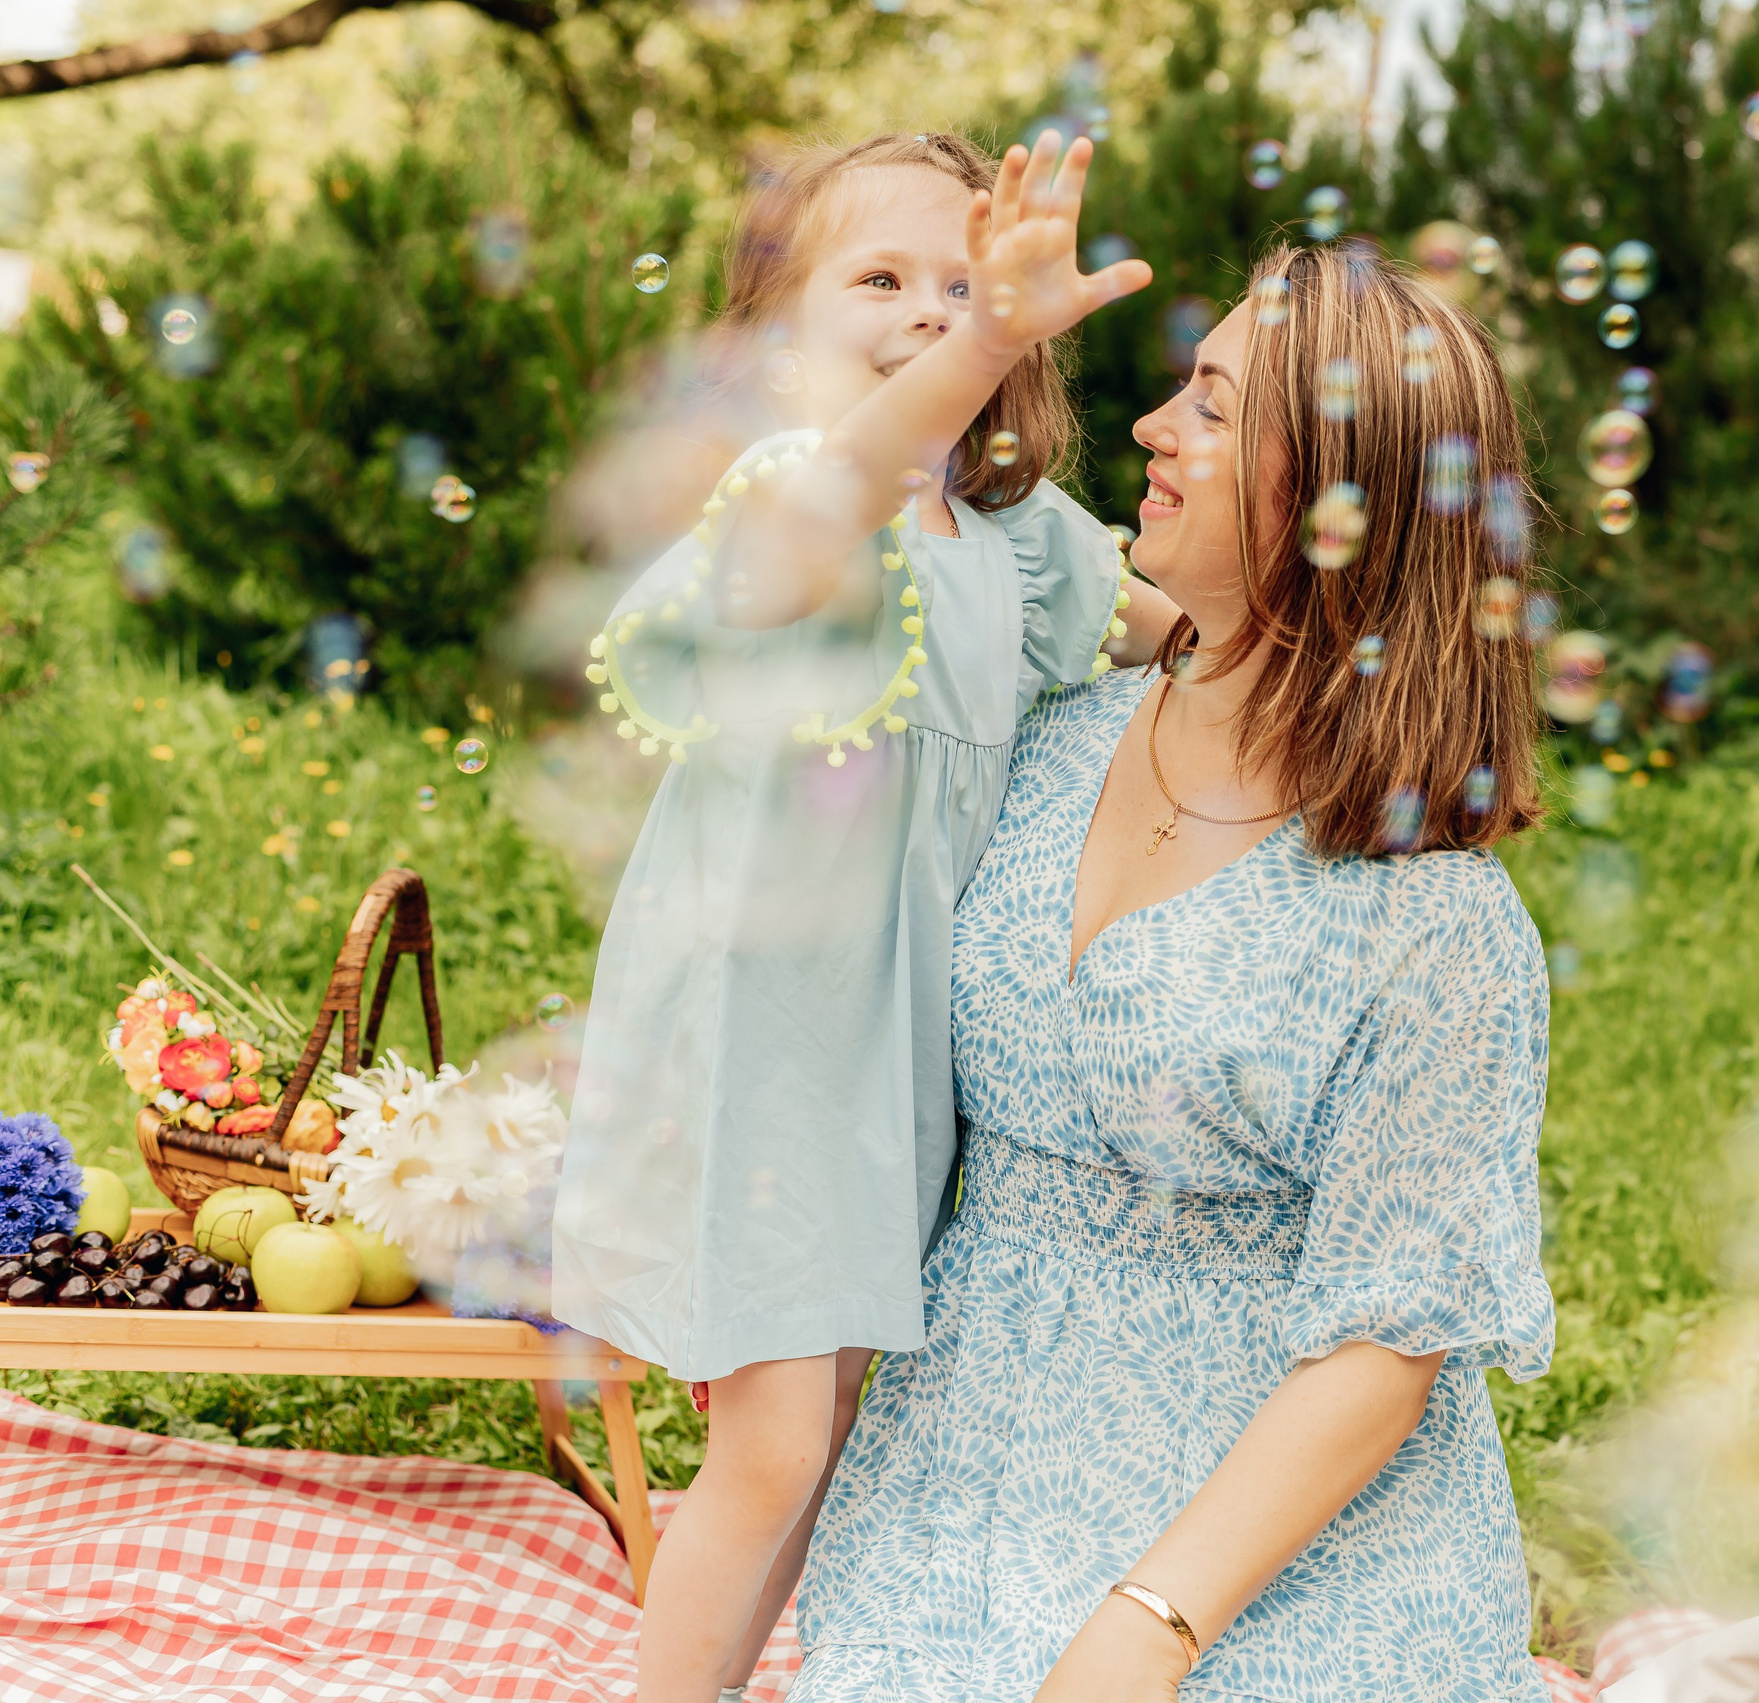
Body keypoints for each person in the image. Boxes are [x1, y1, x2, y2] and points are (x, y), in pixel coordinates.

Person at [787, 241, 1558, 1702]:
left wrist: (1151, 1625)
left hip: (1270, 1576)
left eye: (1210, 406)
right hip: (959, 1498)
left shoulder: (1434, 928)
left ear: (1333, 503)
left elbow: (1381, 1348)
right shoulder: (1046, 741)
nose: (1151, 429)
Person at [548, 130, 1175, 1703]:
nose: (931, 310)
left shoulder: (1021, 541)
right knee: (769, 1445)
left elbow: (1178, 634)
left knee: (817, 1439)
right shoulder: (798, 499)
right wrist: (987, 335)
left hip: (886, 1061)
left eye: (962, 280)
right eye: (879, 279)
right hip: (757, 1042)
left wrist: (1369, 663)